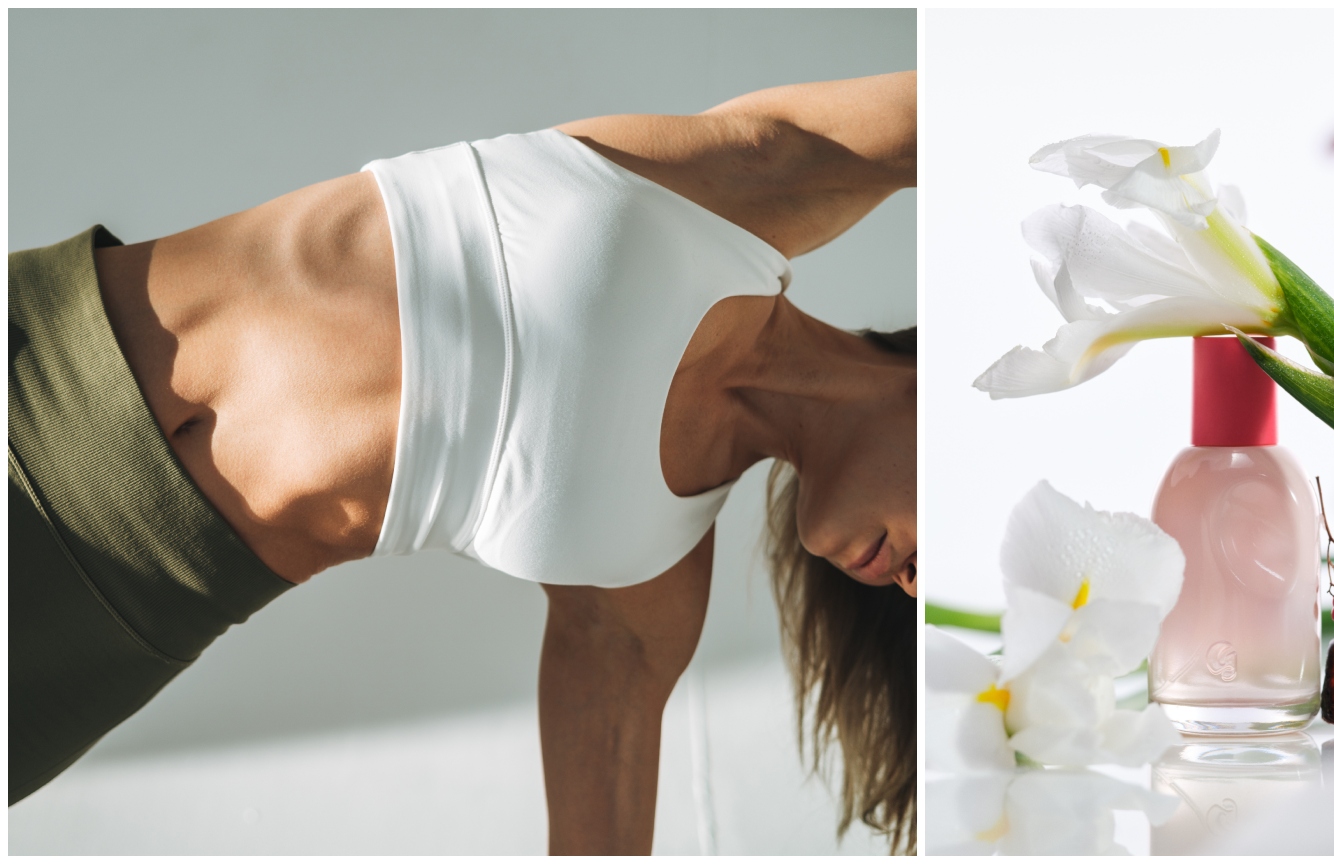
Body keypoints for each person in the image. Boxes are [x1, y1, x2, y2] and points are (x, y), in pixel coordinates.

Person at [9, 72, 916, 854]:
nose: (920, 587)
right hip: (37, 370)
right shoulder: (749, 188)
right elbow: (1006, 85)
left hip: (106, 626)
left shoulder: (649, 574)